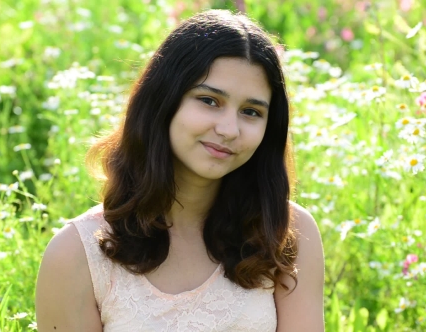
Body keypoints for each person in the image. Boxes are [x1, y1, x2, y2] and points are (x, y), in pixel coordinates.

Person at [35, 9, 324, 331]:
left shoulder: (288, 233)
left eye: (251, 111)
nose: (229, 129)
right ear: (164, 101)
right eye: (209, 100)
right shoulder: (77, 254)